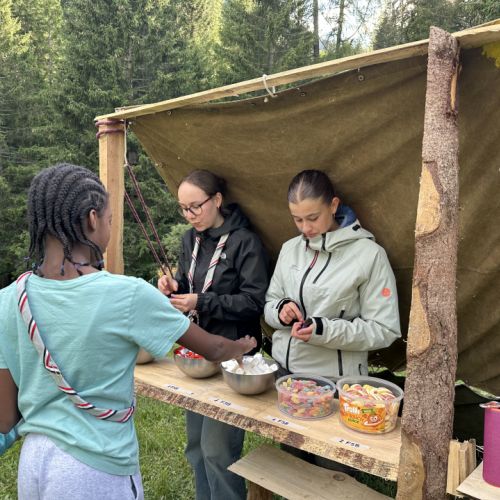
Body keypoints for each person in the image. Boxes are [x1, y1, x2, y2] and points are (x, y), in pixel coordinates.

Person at [0, 163, 256, 500]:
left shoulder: (9, 299)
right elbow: (215, 350)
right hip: (94, 469)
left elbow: (6, 417)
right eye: (109, 220)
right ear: (93, 219)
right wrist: (241, 347)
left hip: (34, 462)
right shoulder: (127, 293)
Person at [264, 169, 401, 468]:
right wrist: (281, 310)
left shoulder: (370, 255)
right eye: (297, 220)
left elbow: (384, 329)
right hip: (287, 378)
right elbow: (270, 302)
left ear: (334, 205)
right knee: (291, 466)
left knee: (331, 472)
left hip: (336, 384)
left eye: (313, 218)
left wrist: (323, 330)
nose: (306, 228)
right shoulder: (289, 249)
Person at [158, 169, 269, 500]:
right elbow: (188, 284)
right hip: (198, 352)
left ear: (217, 199)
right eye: (183, 208)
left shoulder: (245, 242)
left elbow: (254, 302)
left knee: (217, 451)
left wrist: (201, 301)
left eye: (196, 206)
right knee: (195, 447)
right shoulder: (189, 240)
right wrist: (173, 287)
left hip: (235, 357)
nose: (189, 215)